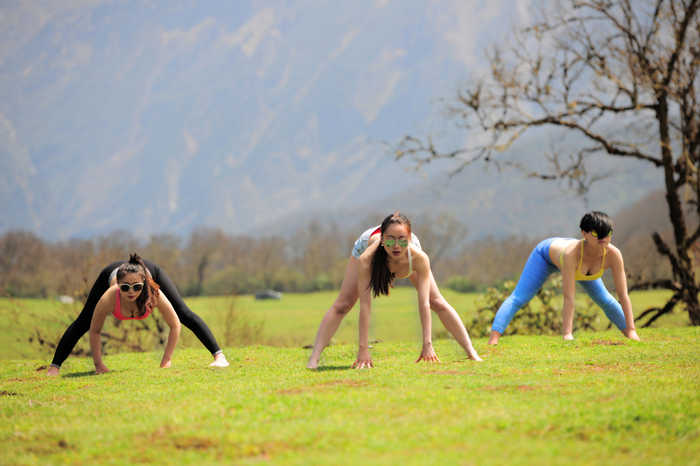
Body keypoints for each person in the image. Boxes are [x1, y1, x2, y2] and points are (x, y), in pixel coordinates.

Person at [307, 212, 482, 369]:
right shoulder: (367, 258)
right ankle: (313, 359)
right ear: (383, 239)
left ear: (410, 238)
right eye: (390, 240)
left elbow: (424, 303)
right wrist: (363, 351)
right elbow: (365, 306)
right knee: (343, 305)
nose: (396, 246)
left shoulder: (419, 258)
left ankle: (471, 352)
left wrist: (427, 344)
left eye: (402, 239)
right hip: (370, 249)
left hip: (406, 262)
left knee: (437, 301)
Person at [47, 254, 229, 375]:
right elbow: (94, 330)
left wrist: (166, 360)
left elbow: (175, 324)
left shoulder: (153, 292)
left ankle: (219, 357)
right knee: (84, 321)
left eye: (136, 287)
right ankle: (54, 367)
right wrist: (98, 365)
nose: (131, 291)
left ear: (144, 285)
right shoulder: (110, 296)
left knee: (183, 312)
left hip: (149, 270)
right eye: (125, 287)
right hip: (112, 272)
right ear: (118, 286)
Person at [488, 211, 641, 345]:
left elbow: (623, 295)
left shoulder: (614, 255)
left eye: (607, 235)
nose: (604, 240)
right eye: (596, 235)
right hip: (545, 256)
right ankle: (493, 340)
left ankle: (628, 333)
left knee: (605, 299)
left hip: (579, 266)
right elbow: (569, 298)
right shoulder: (571, 255)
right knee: (519, 298)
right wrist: (567, 334)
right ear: (584, 233)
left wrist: (632, 330)